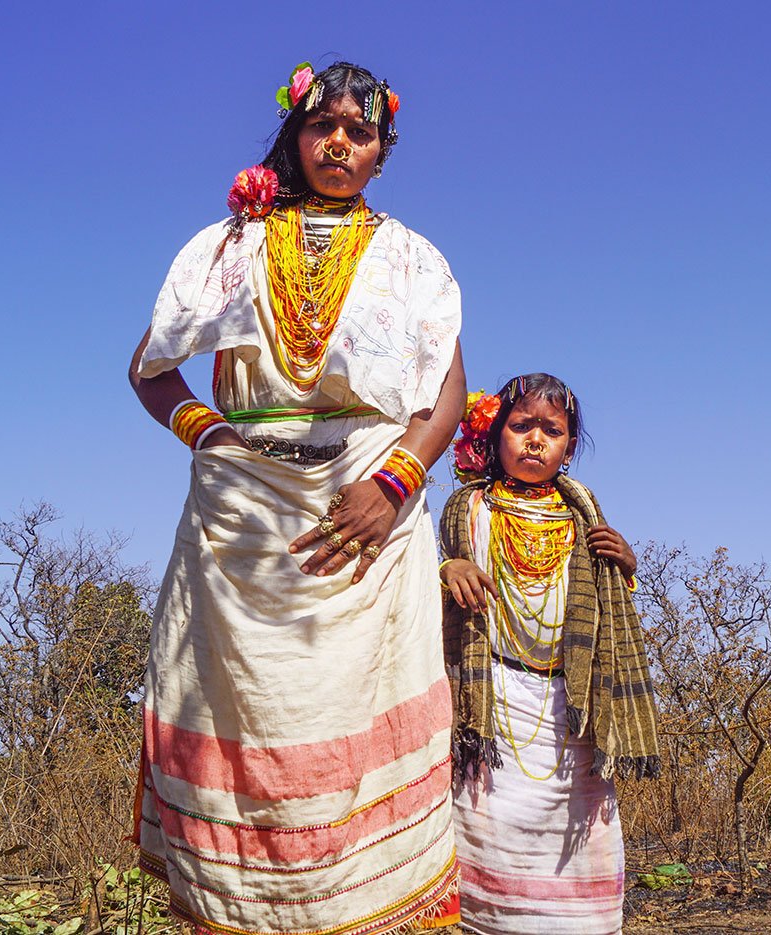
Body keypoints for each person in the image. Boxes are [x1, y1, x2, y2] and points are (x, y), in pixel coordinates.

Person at [128, 61, 464, 934]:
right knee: (242, 720)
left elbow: (447, 391)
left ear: (384, 150)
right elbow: (149, 365)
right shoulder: (230, 243)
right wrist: (210, 435)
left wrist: (394, 486)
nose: (341, 143)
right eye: (325, 127)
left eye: (361, 131)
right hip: (242, 519)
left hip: (371, 515)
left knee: (357, 726)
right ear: (296, 133)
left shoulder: (412, 259)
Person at [440, 374, 660, 935]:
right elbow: (417, 579)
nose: (535, 440)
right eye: (520, 426)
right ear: (493, 438)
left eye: (552, 431)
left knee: (583, 843)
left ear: (569, 446)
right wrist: (449, 568)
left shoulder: (584, 512)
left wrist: (626, 566)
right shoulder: (468, 508)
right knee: (486, 833)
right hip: (491, 705)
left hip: (575, 710)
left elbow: (606, 601)